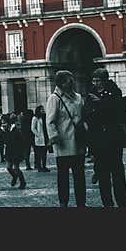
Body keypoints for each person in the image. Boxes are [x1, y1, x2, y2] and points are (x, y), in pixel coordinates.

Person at [85, 68, 126, 207]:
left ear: (105, 80)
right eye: (94, 80)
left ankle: (122, 201)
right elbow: (88, 113)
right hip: (97, 137)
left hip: (113, 136)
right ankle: (107, 202)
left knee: (117, 171)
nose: (96, 83)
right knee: (102, 173)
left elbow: (117, 112)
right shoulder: (90, 93)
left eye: (98, 80)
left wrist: (100, 103)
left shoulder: (114, 91)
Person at [46, 70, 86, 208]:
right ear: (61, 82)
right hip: (63, 143)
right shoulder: (55, 98)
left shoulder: (79, 97)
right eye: (69, 80)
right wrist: (54, 137)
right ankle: (64, 201)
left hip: (78, 141)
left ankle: (81, 202)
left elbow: (83, 116)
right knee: (63, 177)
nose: (72, 82)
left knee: (79, 176)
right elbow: (50, 121)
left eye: (72, 79)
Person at [4, 114, 27, 189]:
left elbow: (22, 141)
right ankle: (15, 176)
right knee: (8, 167)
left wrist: (21, 152)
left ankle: (23, 182)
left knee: (16, 168)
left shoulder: (16, 129)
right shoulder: (7, 129)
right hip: (9, 151)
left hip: (16, 151)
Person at [30, 106, 50, 172]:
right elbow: (33, 128)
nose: (43, 110)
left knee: (44, 153)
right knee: (38, 154)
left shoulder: (44, 117)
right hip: (39, 138)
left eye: (43, 109)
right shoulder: (35, 118)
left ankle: (44, 166)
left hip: (45, 137)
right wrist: (38, 135)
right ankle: (39, 167)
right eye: (41, 109)